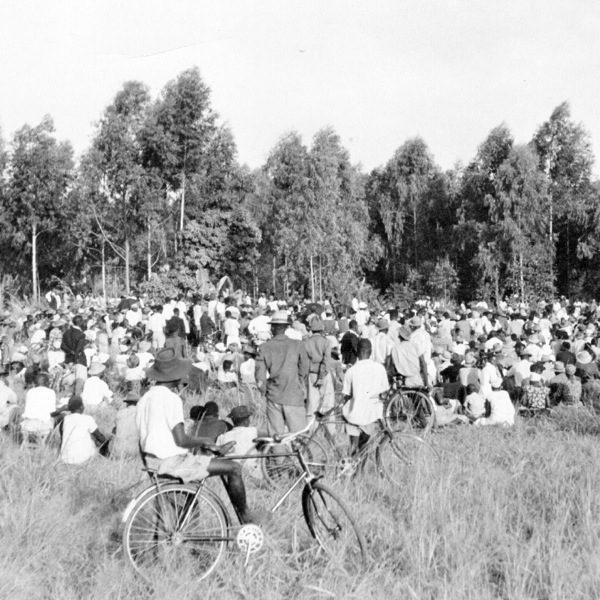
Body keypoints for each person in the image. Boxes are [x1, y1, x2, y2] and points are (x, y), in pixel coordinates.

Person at [136, 348, 255, 523]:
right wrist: (207, 441)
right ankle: (247, 519)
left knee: (190, 499)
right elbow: (181, 440)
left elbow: (141, 441)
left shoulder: (144, 400)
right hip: (173, 463)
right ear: (175, 375)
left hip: (153, 463)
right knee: (234, 468)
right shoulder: (171, 399)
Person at [255, 311, 309, 435]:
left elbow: (260, 376)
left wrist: (263, 391)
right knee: (299, 435)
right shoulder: (297, 345)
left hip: (274, 395)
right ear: (286, 327)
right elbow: (304, 367)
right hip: (294, 395)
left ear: (272, 327)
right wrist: (299, 380)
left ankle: (279, 455)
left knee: (276, 436)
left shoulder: (264, 347)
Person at [341, 338, 389, 455]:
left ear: (357, 352)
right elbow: (385, 393)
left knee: (353, 446)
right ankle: (360, 470)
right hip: (371, 414)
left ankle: (350, 468)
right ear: (371, 352)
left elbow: (346, 396)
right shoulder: (380, 368)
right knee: (364, 447)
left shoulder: (350, 371)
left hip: (354, 414)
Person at [216, 405, 262, 479]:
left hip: (229, 471)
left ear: (233, 421)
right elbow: (271, 437)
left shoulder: (222, 437)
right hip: (250, 470)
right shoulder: (253, 431)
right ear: (246, 420)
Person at [60, 395, 109, 464]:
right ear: (81, 407)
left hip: (65, 458)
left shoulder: (65, 419)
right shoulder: (88, 419)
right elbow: (99, 437)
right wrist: (107, 443)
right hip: (82, 459)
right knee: (94, 441)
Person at [21, 372, 57, 440]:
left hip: (27, 426)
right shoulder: (51, 392)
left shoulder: (30, 392)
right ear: (47, 383)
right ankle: (50, 442)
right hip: (42, 427)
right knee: (58, 418)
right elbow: (52, 412)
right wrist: (62, 409)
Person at [61, 315, 87, 394]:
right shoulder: (81, 334)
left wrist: (70, 352)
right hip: (79, 360)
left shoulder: (66, 332)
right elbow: (78, 349)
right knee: (80, 381)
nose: (83, 323)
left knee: (70, 382)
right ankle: (77, 398)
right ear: (80, 322)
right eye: (82, 321)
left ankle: (67, 396)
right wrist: (76, 359)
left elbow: (62, 346)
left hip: (68, 359)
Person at [110, 391, 140, 459]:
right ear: (137, 403)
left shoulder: (120, 413)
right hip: (134, 452)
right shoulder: (141, 414)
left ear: (127, 404)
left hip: (118, 453)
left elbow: (114, 430)